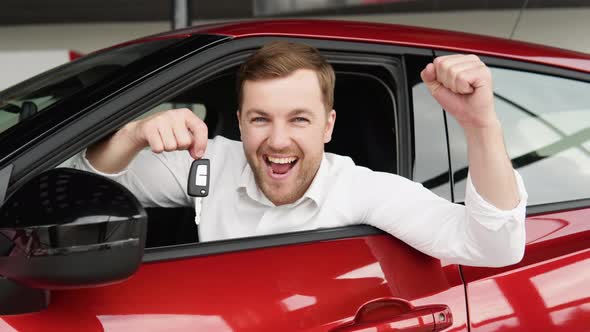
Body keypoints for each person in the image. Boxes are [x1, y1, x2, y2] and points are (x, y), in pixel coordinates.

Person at [71, 41, 527, 267]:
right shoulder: (206, 161)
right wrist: (132, 134)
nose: (278, 140)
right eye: (261, 119)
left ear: (328, 126)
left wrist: (481, 125)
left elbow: (494, 246)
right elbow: (78, 184)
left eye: (299, 119)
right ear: (240, 120)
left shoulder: (362, 191)